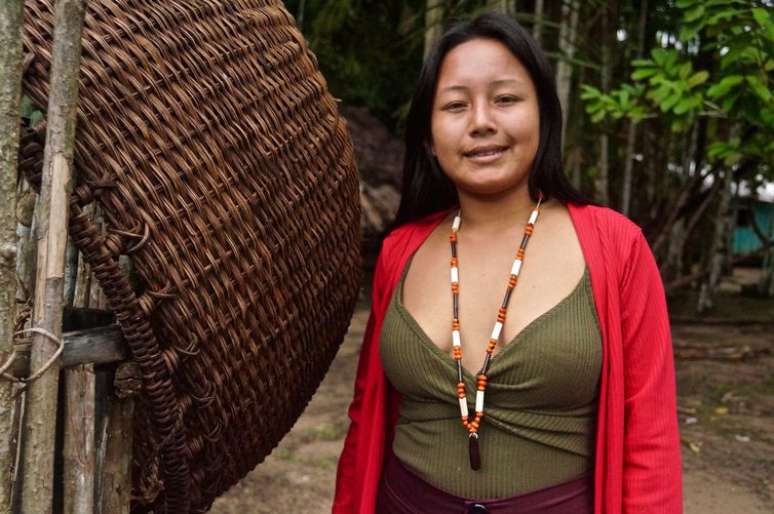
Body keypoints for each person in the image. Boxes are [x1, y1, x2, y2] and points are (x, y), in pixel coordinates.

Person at [333, 12, 682, 514]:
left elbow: (649, 441)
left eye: (505, 99)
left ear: (542, 114)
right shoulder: (400, 251)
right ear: (430, 136)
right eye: (456, 105)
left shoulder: (616, 247)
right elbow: (365, 421)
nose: (481, 122)